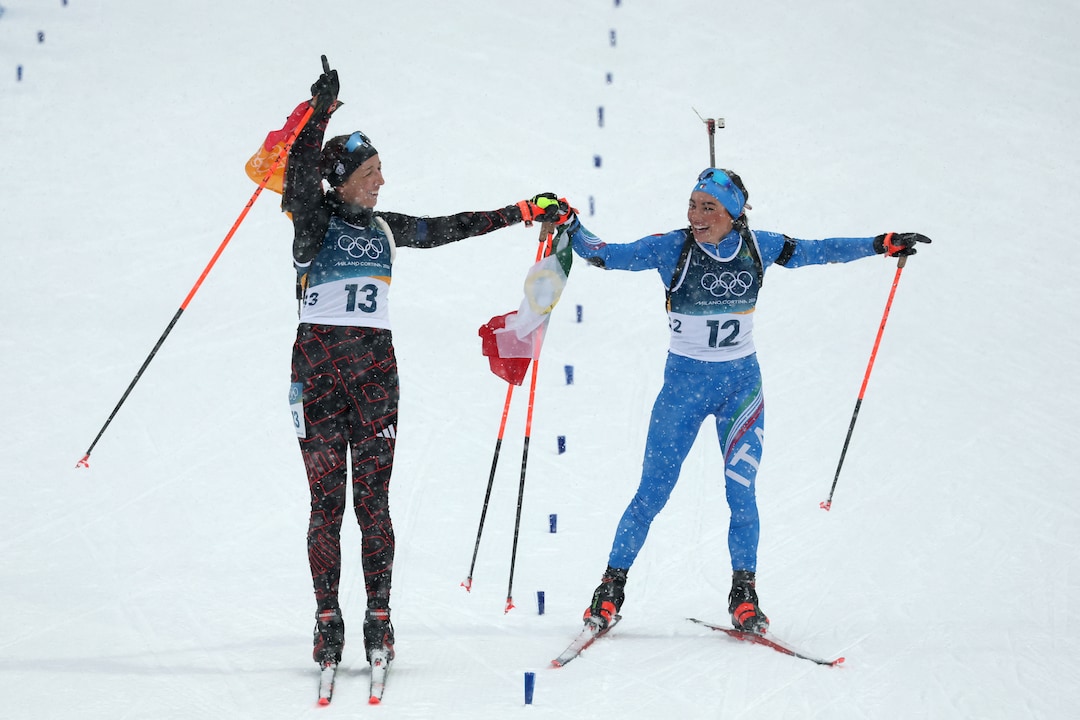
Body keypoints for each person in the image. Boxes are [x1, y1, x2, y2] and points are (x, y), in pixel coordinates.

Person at [282, 60, 569, 672]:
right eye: (371, 172)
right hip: (318, 375)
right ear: (342, 181)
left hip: (374, 376)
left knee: (373, 504)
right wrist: (320, 114)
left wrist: (522, 210)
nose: (381, 181)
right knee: (326, 505)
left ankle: (379, 618)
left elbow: (448, 228)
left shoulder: (386, 228)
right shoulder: (313, 223)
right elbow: (299, 178)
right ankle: (327, 619)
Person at [560, 168, 930, 635]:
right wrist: (571, 224)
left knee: (741, 493)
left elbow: (819, 251)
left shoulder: (759, 246)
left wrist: (880, 244)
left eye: (708, 207)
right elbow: (606, 255)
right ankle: (610, 588)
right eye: (692, 204)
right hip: (682, 392)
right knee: (652, 493)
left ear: (734, 213)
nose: (696, 216)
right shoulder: (671, 248)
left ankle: (744, 596)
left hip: (741, 391)